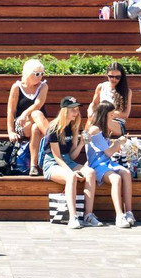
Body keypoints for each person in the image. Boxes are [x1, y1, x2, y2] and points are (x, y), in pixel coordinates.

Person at [40, 96, 101, 229]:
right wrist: (70, 171)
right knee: (71, 176)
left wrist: (81, 144)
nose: (76, 112)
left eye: (77, 109)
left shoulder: (73, 126)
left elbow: (72, 156)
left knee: (90, 172)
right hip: (52, 163)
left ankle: (88, 215)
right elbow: (56, 157)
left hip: (67, 160)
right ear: (64, 111)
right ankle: (73, 218)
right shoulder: (54, 128)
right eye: (72, 110)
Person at [85, 102, 135, 228]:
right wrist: (118, 142)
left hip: (107, 163)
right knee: (116, 178)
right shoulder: (95, 129)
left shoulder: (104, 128)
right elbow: (108, 152)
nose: (113, 117)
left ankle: (129, 212)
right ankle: (119, 215)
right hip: (97, 164)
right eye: (111, 114)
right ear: (104, 114)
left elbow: (107, 150)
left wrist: (116, 143)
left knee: (127, 173)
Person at [6, 57, 49, 176]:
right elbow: (11, 110)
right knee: (36, 114)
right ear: (27, 73)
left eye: (41, 73)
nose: (39, 76)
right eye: (36, 74)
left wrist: (25, 113)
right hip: (22, 124)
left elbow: (38, 104)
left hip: (39, 124)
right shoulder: (17, 87)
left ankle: (33, 166)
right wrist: (10, 131)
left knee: (36, 125)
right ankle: (53, 140)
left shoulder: (43, 86)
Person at [89, 62, 132, 137]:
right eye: (111, 76)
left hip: (116, 122)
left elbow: (125, 114)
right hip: (99, 119)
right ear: (107, 75)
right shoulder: (101, 87)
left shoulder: (126, 91)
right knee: (94, 121)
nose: (114, 79)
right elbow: (94, 104)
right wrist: (90, 112)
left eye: (117, 77)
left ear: (121, 77)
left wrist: (106, 114)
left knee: (100, 123)